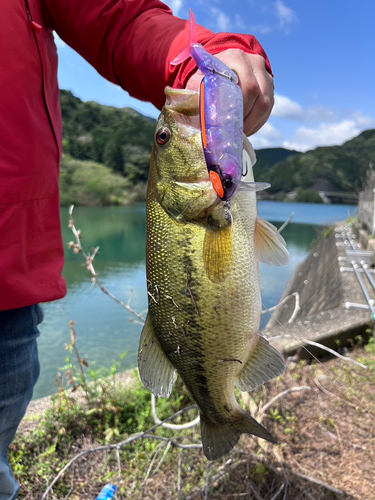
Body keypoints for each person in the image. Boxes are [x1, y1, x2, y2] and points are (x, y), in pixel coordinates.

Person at [0, 0, 274, 497]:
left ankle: (218, 407)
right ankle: (219, 407)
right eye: (167, 138)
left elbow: (119, 17)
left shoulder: (204, 204)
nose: (170, 130)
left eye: (163, 137)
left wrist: (202, 58)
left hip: (6, 285)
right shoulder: (203, 205)